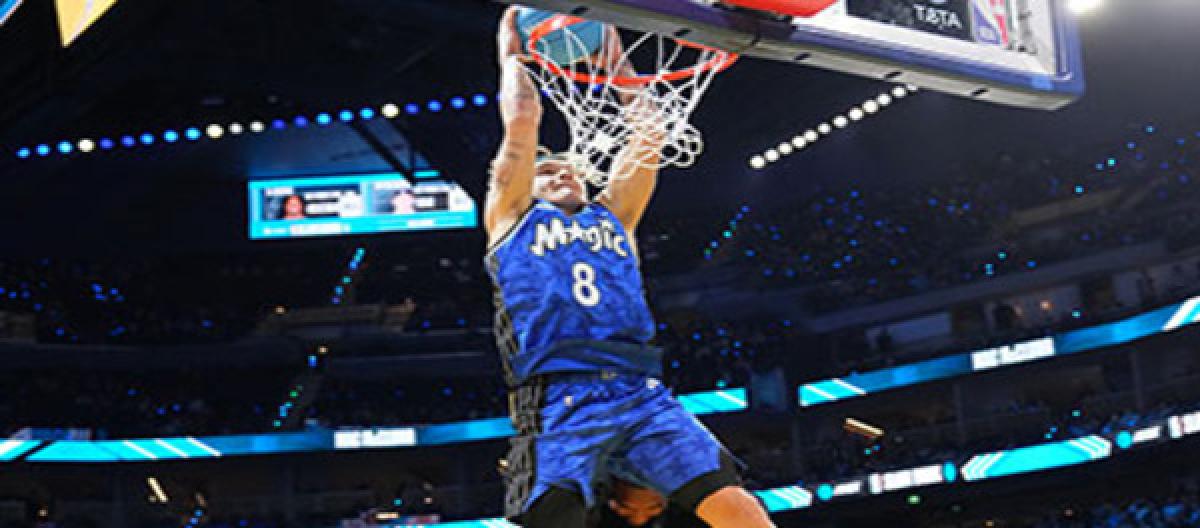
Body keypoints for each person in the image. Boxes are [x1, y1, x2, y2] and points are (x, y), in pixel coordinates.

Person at [484, 7, 775, 528]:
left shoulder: (616, 216)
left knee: (736, 506)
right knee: (552, 519)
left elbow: (648, 132)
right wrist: (512, 54)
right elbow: (522, 122)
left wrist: (615, 54)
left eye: (568, 169)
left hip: (640, 389)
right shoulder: (511, 217)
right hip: (559, 394)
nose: (562, 174)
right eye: (546, 172)